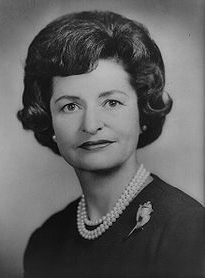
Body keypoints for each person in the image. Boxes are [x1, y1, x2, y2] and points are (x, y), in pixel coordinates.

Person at [17, 10, 204, 278]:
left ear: (143, 112)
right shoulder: (45, 242)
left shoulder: (187, 230)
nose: (90, 124)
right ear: (49, 122)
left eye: (112, 102)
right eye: (70, 106)